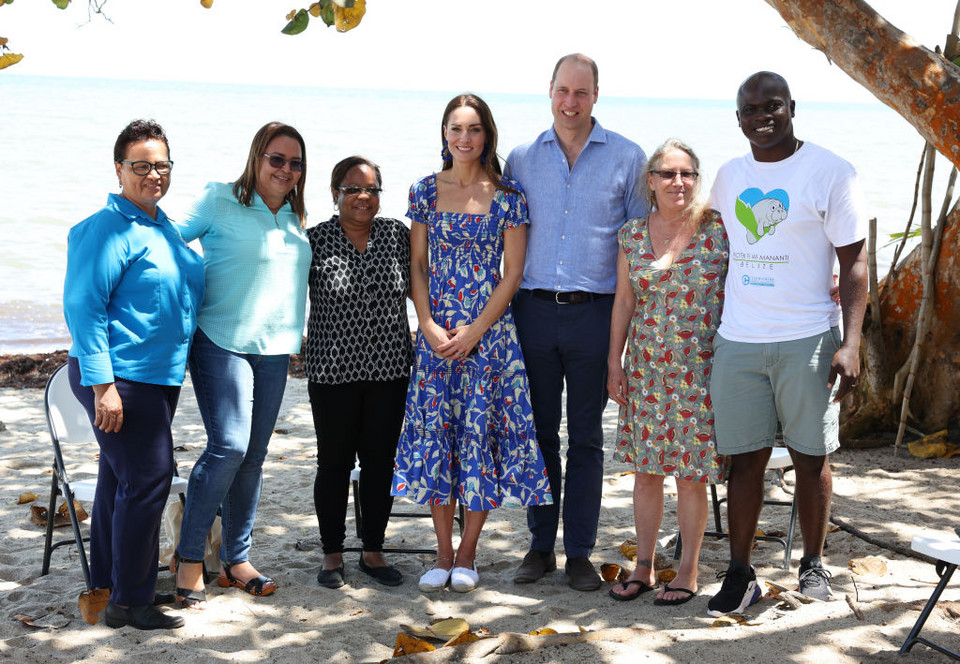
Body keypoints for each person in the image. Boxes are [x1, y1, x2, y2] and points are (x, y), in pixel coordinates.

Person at [705, 72, 867, 616]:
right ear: (739, 118)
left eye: (772, 105)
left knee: (810, 454)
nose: (762, 116)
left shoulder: (831, 171)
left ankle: (812, 563)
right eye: (750, 109)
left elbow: (856, 267)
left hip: (807, 339)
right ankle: (739, 572)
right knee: (742, 461)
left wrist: (851, 343)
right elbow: (708, 243)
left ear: (792, 106)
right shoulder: (729, 177)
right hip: (739, 340)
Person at [392, 93, 552, 594]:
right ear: (444, 134)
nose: (465, 138)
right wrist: (428, 324)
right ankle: (441, 553)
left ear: (488, 135)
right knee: (438, 439)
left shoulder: (509, 195)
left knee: (479, 439)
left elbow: (514, 274)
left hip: (489, 338)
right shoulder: (423, 190)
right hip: (436, 337)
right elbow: (417, 265)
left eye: (474, 129)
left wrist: (476, 331)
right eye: (456, 128)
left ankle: (467, 554)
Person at [506, 53, 648, 591]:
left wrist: (627, 342)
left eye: (581, 93)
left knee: (586, 438)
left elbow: (637, 249)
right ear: (549, 91)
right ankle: (540, 547)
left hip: (596, 316)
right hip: (533, 312)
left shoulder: (629, 158)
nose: (571, 102)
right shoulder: (520, 159)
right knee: (538, 434)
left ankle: (580, 553)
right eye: (563, 91)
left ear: (596, 96)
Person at [63, 119, 204, 630]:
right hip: (120, 378)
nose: (153, 174)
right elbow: (83, 308)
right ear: (118, 168)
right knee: (149, 479)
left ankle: (111, 582)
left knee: (118, 479)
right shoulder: (107, 227)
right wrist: (103, 387)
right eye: (141, 165)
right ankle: (132, 601)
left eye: (161, 165)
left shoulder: (161, 224)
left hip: (157, 377)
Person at [172, 122, 311, 608]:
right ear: (257, 158)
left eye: (295, 163)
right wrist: (183, 295)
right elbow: (166, 241)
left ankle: (237, 559)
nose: (286, 170)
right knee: (228, 446)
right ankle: (189, 558)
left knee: (253, 456)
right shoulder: (219, 198)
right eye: (277, 159)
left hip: (274, 349)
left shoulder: (295, 214)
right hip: (220, 339)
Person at [606, 139, 729, 605]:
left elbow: (765, 268)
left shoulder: (718, 229)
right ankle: (645, 566)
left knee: (692, 474)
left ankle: (690, 567)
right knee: (647, 472)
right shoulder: (632, 234)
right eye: (668, 173)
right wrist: (612, 361)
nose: (678, 182)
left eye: (688, 174)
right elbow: (624, 300)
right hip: (647, 369)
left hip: (703, 368)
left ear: (697, 180)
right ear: (650, 180)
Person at [305, 156, 413, 589]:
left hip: (390, 369)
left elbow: (425, 284)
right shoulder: (313, 241)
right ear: (336, 194)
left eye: (371, 189)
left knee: (380, 464)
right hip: (332, 372)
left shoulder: (397, 236)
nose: (363, 197)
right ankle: (332, 554)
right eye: (353, 189)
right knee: (332, 464)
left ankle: (373, 550)